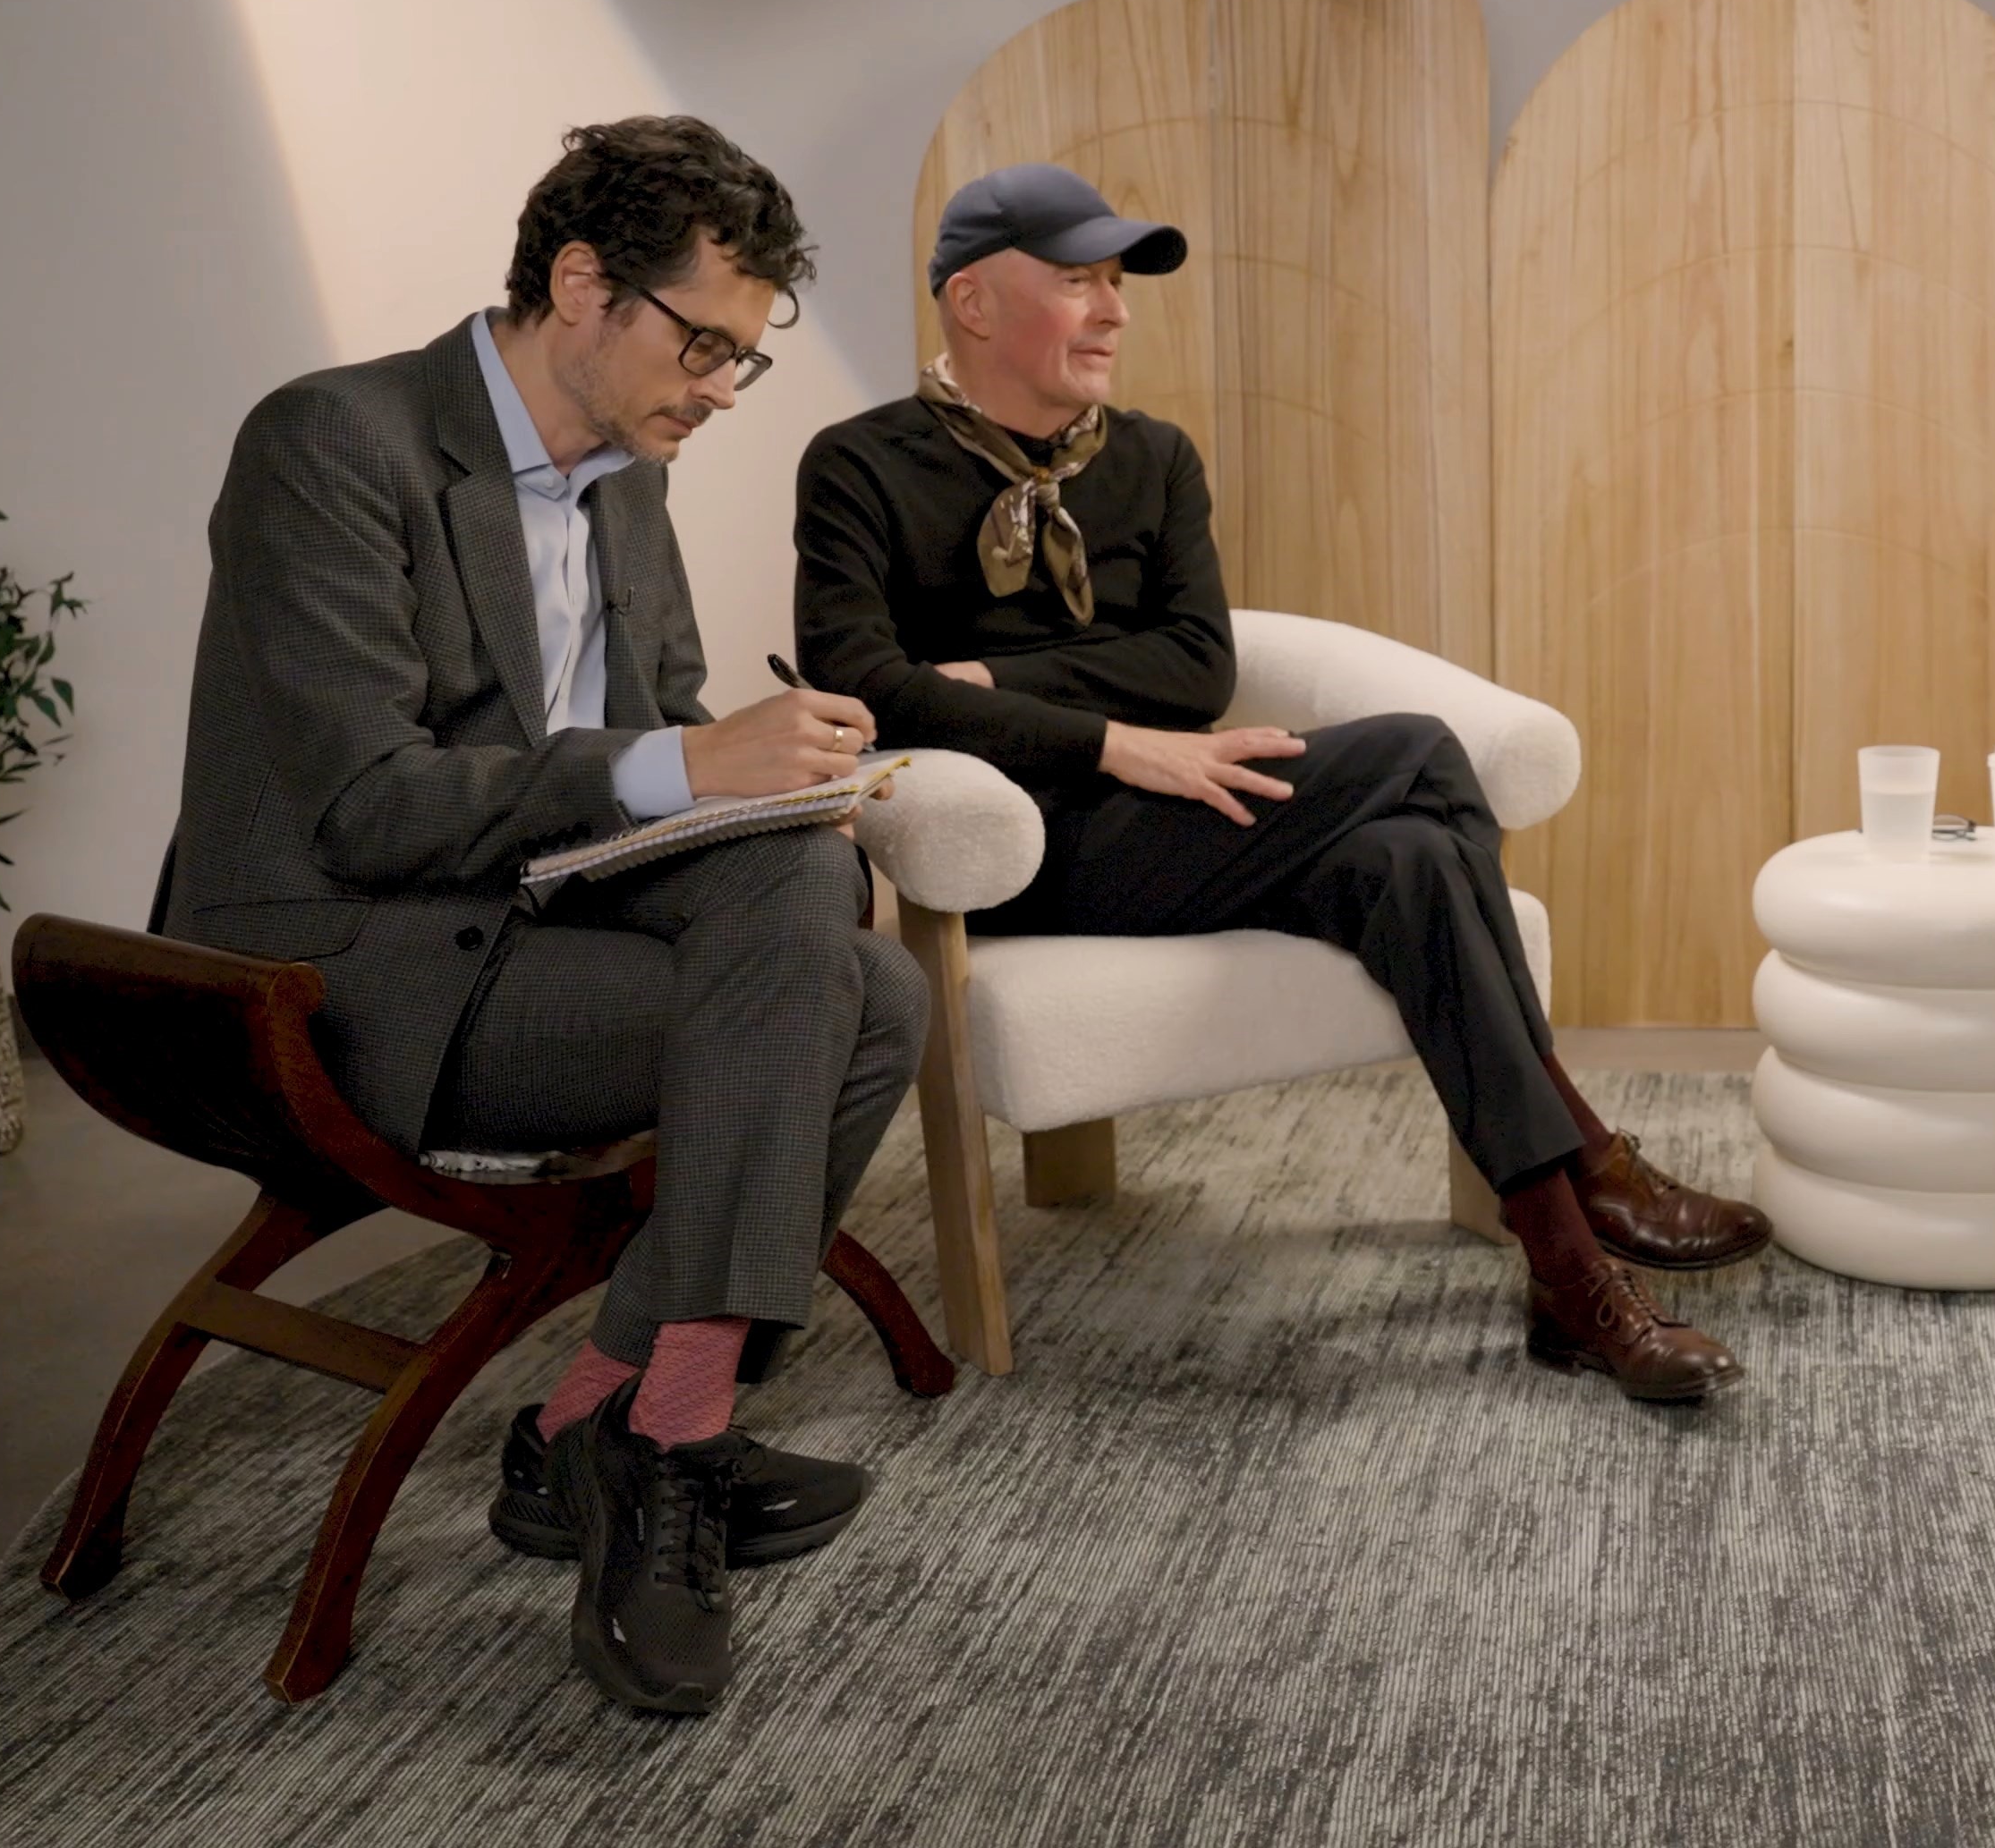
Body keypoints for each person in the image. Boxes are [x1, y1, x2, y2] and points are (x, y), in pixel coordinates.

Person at [167, 117, 926, 1712]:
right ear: (582, 284)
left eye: (744, 358)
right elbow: (367, 805)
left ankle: (620, 1423)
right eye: (705, 344)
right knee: (854, 1005)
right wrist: (695, 765)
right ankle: (650, 1438)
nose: (724, 389)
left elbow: (653, 735)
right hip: (340, 959)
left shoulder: (628, 477)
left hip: (532, 915)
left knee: (842, 939)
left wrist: (780, 781)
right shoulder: (332, 441)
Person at [794, 165, 1767, 1403]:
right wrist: (1107, 741)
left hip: (1187, 812)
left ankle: (1569, 1275)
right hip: (1021, 851)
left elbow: (1198, 666)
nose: (1115, 311)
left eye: (1118, 284)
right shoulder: (860, 465)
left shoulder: (1154, 458)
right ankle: (1584, 1153)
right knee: (1418, 752)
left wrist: (997, 680)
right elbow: (860, 685)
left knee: (1414, 855)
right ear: (973, 302)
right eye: (1079, 281)